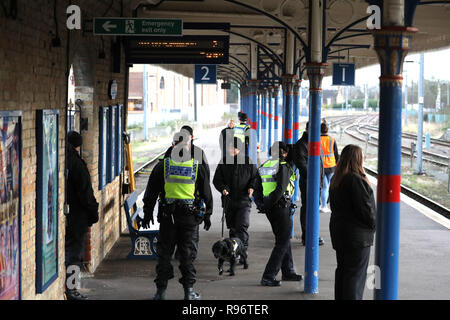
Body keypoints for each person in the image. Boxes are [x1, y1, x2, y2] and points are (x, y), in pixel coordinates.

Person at [142, 130, 213, 301]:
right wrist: (208, 215)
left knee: (165, 254)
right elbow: (207, 194)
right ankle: (189, 292)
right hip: (189, 218)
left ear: (173, 145)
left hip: (168, 217)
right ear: (188, 144)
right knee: (187, 254)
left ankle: (160, 292)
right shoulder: (196, 167)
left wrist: (147, 214)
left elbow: (150, 193)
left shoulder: (163, 166)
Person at [329, 144, 376, 300]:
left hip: (340, 234)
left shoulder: (337, 178)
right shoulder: (355, 179)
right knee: (355, 278)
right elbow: (366, 209)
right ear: (358, 159)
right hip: (357, 237)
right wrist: (374, 225)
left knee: (343, 272)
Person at [254, 141, 303, 286]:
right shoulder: (283, 166)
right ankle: (268, 276)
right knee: (282, 242)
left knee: (284, 239)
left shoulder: (264, 166)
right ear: (283, 152)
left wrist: (262, 205)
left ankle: (288, 271)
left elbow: (256, 190)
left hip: (270, 209)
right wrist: (271, 203)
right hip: (281, 207)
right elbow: (281, 188)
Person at [213, 137, 258, 267]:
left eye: (234, 147)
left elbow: (255, 178)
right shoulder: (224, 162)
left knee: (242, 226)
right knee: (233, 228)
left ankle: (242, 252)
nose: (232, 150)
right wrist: (223, 188)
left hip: (244, 200)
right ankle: (234, 253)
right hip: (229, 201)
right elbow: (217, 180)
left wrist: (252, 187)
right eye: (230, 147)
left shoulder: (248, 162)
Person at [65, 131, 99, 300]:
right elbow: (86, 194)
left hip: (65, 214)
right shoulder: (77, 164)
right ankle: (71, 290)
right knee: (74, 254)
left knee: (69, 251)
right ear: (79, 145)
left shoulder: (62, 159)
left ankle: (69, 289)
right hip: (77, 217)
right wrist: (94, 213)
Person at [292, 122, 324, 246]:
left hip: (316, 182)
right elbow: (303, 167)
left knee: (313, 209)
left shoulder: (313, 143)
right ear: (307, 129)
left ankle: (312, 234)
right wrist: (316, 180)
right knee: (308, 209)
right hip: (308, 184)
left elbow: (319, 164)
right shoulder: (301, 145)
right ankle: (307, 236)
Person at [319, 121, 339, 213]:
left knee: (324, 187)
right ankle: (330, 205)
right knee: (331, 186)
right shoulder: (332, 139)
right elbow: (336, 154)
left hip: (321, 166)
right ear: (327, 130)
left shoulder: (317, 139)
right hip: (331, 166)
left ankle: (323, 205)